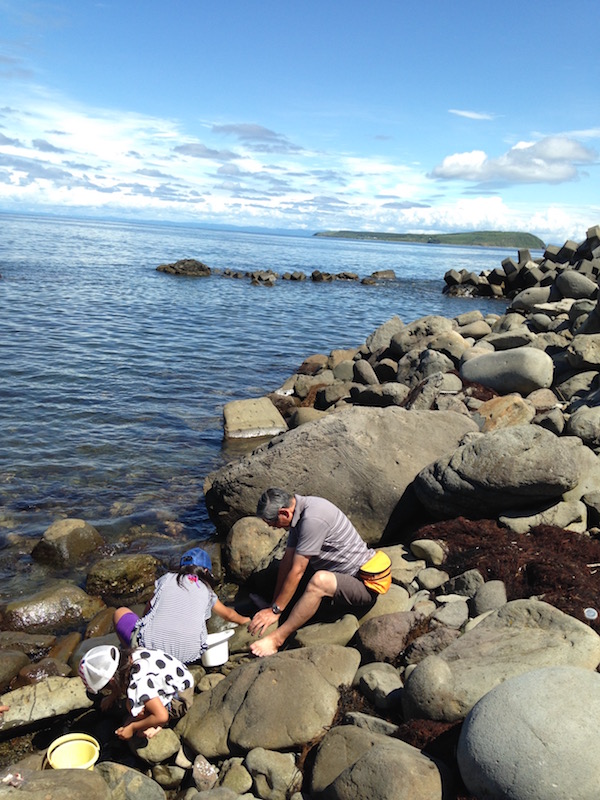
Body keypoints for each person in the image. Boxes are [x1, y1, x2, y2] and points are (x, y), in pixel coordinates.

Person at [248, 488, 376, 657]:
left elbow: (297, 571)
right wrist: (274, 606)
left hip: (362, 583)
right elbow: (288, 561)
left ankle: (277, 639)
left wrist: (275, 612)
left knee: (318, 581)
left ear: (284, 513)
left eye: (273, 523)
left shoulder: (312, 518)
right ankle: (288, 613)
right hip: (340, 575)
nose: (273, 527)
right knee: (289, 568)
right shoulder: (299, 512)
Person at [113, 547, 250, 664]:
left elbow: (149, 609)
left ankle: (132, 655)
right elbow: (228, 614)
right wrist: (246, 621)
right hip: (189, 654)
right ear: (207, 572)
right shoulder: (207, 591)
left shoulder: (166, 579)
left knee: (120, 612)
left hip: (151, 647)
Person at [78, 643, 193, 740]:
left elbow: (162, 716)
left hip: (179, 698)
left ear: (112, 681)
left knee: (133, 708)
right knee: (132, 700)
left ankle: (157, 725)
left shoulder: (140, 683)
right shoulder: (131, 656)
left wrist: (133, 727)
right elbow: (118, 680)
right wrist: (113, 696)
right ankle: (153, 711)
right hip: (179, 677)